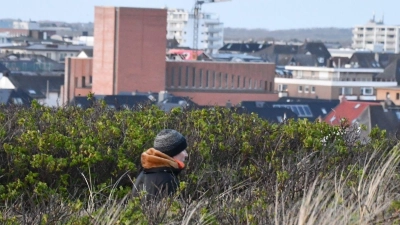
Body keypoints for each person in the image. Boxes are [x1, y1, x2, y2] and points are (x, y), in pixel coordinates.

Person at [132, 129, 188, 199]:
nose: (186, 155)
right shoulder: (168, 180)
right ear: (172, 152)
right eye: (183, 150)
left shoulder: (142, 175)